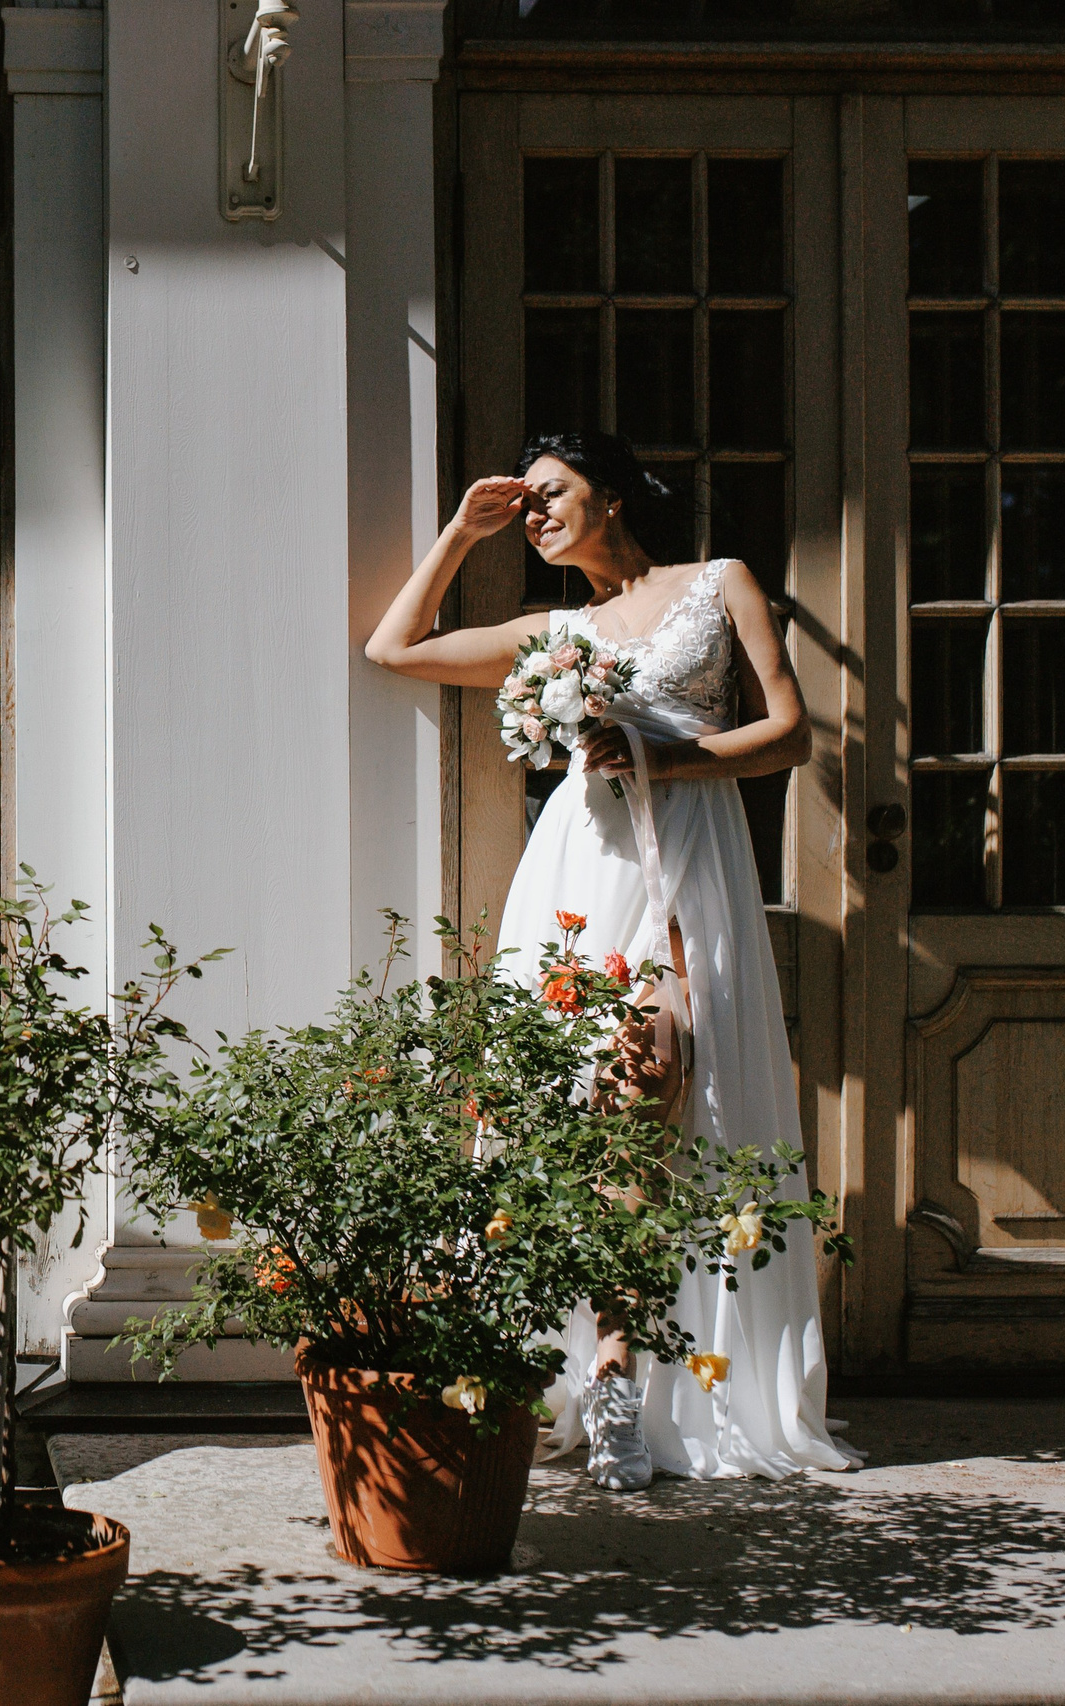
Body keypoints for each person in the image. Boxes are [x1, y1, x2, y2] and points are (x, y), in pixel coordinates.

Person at [365, 430, 860, 1489]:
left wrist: (667, 755)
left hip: (685, 865)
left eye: (551, 494)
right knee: (576, 1117)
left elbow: (788, 733)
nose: (534, 512)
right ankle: (603, 1375)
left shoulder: (718, 583)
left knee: (662, 1095)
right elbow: (392, 648)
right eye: (524, 500)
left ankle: (652, 1381)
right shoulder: (555, 631)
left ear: (615, 497)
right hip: (581, 875)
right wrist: (461, 530)